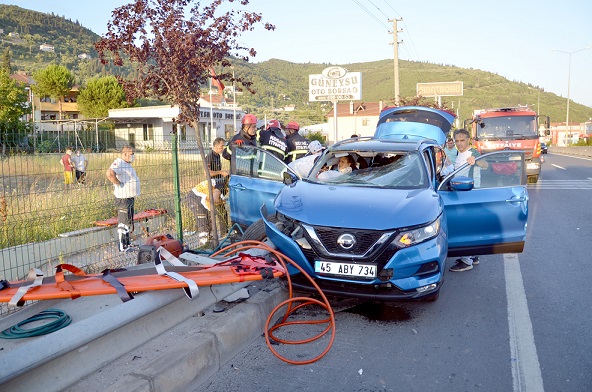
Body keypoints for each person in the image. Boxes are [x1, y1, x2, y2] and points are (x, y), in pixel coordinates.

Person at [449, 128, 489, 272]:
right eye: (457, 141)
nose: (459, 143)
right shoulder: (457, 153)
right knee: (471, 225)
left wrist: (476, 161)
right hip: (460, 192)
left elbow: (486, 164)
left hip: (470, 193)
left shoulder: (473, 153)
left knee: (463, 226)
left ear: (468, 140)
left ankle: (466, 261)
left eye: (462, 140)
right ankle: (473, 255)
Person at [106, 146, 140, 252]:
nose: (133, 156)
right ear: (125, 154)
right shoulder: (119, 163)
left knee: (128, 221)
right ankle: (122, 246)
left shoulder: (127, 164)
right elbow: (109, 173)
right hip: (123, 198)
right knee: (123, 222)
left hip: (129, 197)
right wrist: (118, 183)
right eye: (131, 154)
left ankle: (128, 244)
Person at [185, 179, 226, 245]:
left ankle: (209, 241)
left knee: (209, 220)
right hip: (195, 198)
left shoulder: (220, 186)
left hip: (203, 198)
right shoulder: (215, 187)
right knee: (202, 220)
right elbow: (210, 201)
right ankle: (203, 243)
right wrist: (213, 211)